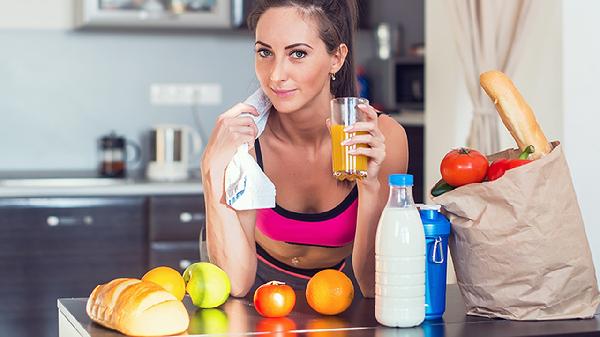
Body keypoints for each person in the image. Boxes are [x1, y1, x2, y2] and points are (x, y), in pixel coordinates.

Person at [200, 0, 408, 298]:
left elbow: (373, 284)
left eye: (297, 54)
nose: (275, 75)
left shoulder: (381, 138)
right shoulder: (245, 140)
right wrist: (211, 168)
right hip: (258, 293)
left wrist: (371, 187)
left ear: (336, 58)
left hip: (340, 293)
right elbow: (236, 283)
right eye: (265, 52)